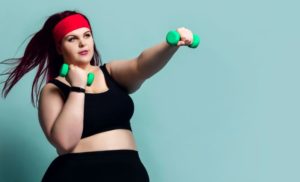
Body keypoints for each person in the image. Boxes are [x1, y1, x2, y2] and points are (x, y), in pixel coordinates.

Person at [0, 10, 194, 182]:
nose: (82, 42)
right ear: (59, 47)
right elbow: (65, 143)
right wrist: (77, 87)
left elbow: (140, 65)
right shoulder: (53, 89)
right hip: (78, 174)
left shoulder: (110, 72)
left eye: (87, 35)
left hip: (129, 172)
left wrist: (170, 45)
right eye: (72, 38)